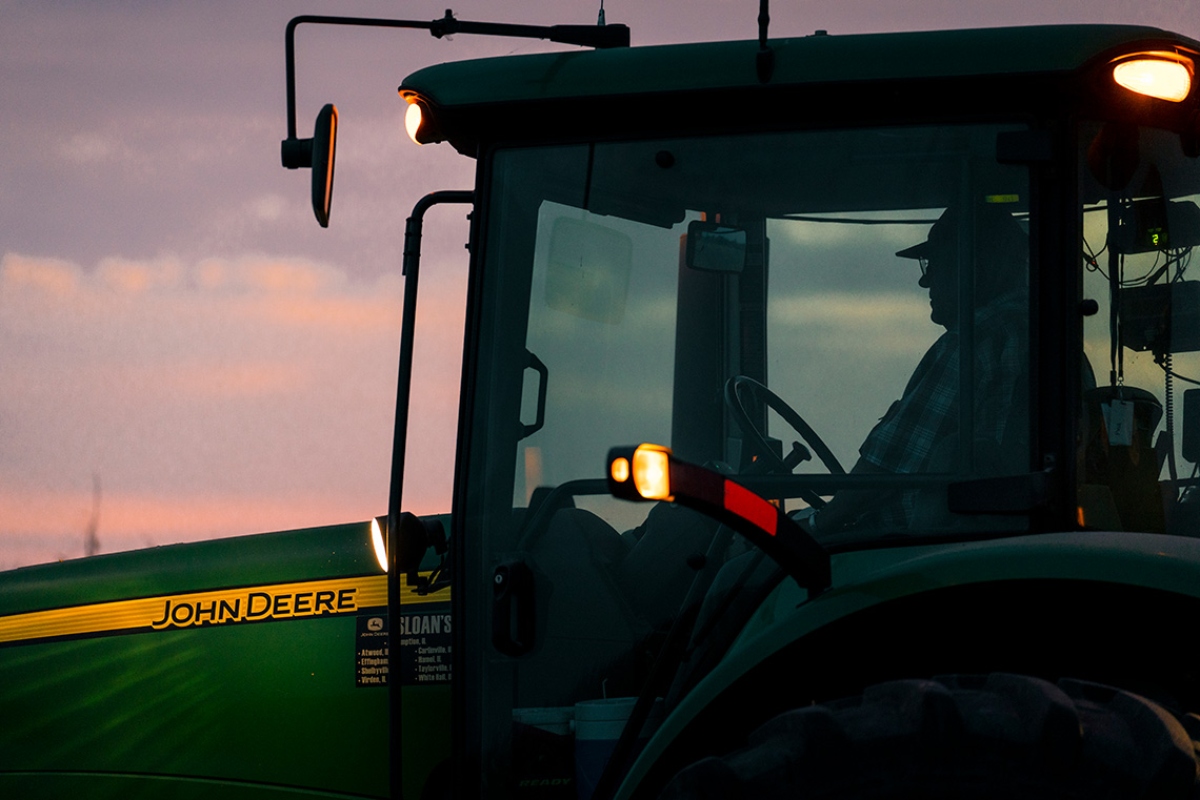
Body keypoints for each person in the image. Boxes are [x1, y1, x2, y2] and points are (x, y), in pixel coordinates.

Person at [807, 204, 1029, 534]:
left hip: (919, 547)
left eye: (934, 265)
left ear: (971, 266)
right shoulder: (1043, 332)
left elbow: (887, 467)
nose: (925, 281)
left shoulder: (973, 341)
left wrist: (815, 526)